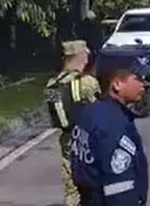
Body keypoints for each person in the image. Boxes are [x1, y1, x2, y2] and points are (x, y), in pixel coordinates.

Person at [71, 63, 149, 206]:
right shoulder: (113, 124)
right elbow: (119, 183)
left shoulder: (90, 112)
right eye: (137, 79)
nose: (143, 85)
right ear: (117, 84)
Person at [45, 40, 101, 206]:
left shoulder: (51, 85)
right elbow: (100, 110)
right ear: (79, 56)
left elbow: (54, 113)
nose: (87, 58)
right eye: (85, 55)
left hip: (67, 139)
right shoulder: (87, 83)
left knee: (71, 185)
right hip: (89, 139)